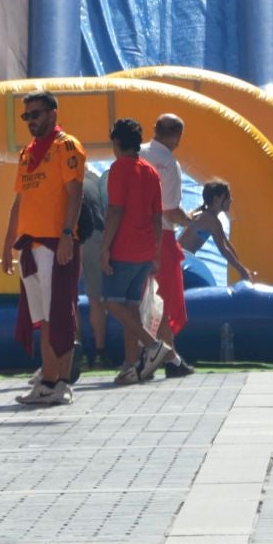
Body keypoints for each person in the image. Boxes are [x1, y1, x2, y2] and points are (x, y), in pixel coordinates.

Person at [1, 90, 87, 406]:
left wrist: (67, 234)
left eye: (35, 114)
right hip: (30, 245)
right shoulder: (27, 153)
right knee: (43, 318)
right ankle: (47, 380)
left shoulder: (67, 146)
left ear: (53, 112)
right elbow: (19, 201)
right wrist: (7, 244)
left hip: (55, 243)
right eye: (26, 116)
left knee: (60, 314)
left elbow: (74, 192)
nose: (30, 121)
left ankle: (62, 382)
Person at [101, 118, 174, 386]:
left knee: (110, 302)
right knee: (131, 309)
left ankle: (152, 345)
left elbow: (115, 211)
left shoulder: (120, 168)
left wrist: (105, 248)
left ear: (117, 143)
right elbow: (158, 216)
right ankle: (130, 366)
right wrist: (155, 252)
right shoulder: (150, 171)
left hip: (124, 247)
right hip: (145, 250)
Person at [140, 114, 196, 377]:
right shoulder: (170, 164)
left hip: (134, 236)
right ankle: (169, 356)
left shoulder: (137, 154)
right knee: (167, 300)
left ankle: (154, 355)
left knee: (142, 299)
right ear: (176, 136)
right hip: (161, 235)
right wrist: (188, 220)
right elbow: (170, 211)